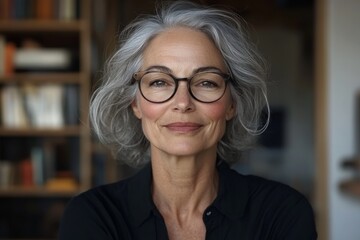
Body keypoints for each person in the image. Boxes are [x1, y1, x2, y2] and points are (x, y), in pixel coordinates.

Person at [58, 1, 317, 239]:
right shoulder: (92, 217)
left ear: (232, 104)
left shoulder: (282, 213)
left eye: (206, 82)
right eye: (159, 82)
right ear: (135, 103)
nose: (182, 103)